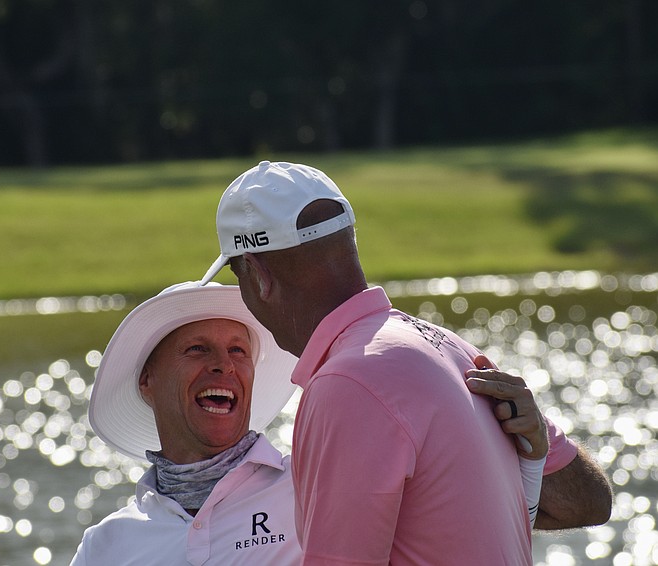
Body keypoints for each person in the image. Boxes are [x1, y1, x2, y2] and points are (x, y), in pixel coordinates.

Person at [199, 161, 612, 564]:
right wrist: (530, 457)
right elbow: (590, 502)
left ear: (257, 275)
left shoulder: (345, 383)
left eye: (238, 278)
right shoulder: (451, 347)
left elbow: (589, 504)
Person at [70, 282, 586, 565]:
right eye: (196, 349)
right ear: (149, 382)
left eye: (237, 351)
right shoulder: (106, 546)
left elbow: (581, 506)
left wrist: (532, 453)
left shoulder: (318, 481)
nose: (223, 365)